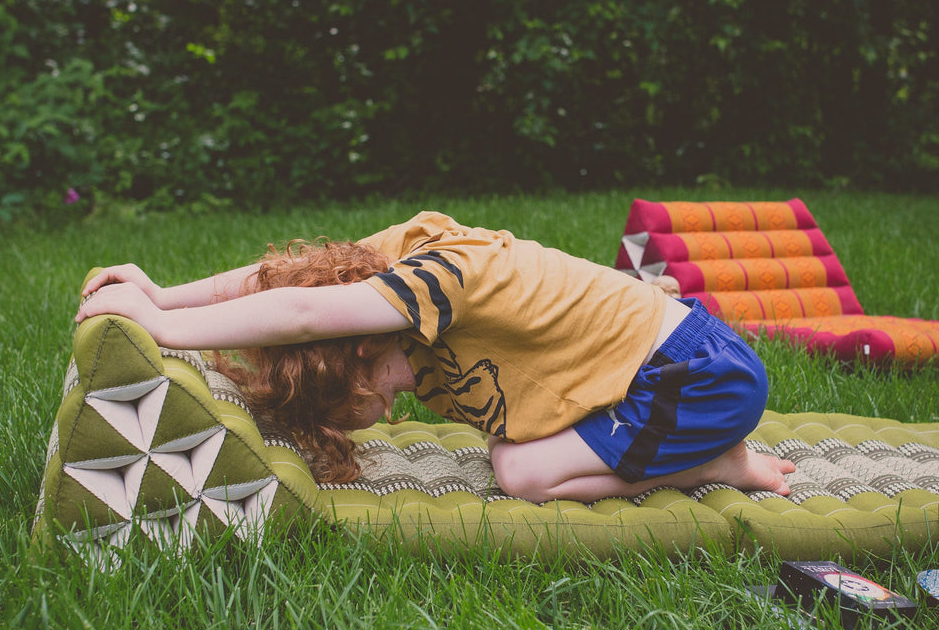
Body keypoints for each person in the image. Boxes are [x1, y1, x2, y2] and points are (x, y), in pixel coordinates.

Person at [75, 210, 795, 503]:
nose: (382, 415)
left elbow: (300, 310)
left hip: (698, 377)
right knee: (515, 453)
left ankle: (713, 462)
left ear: (357, 351)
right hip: (641, 371)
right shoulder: (382, 273)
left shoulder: (437, 280)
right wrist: (167, 297)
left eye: (364, 406)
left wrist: (163, 327)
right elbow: (284, 283)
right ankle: (683, 452)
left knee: (520, 472)